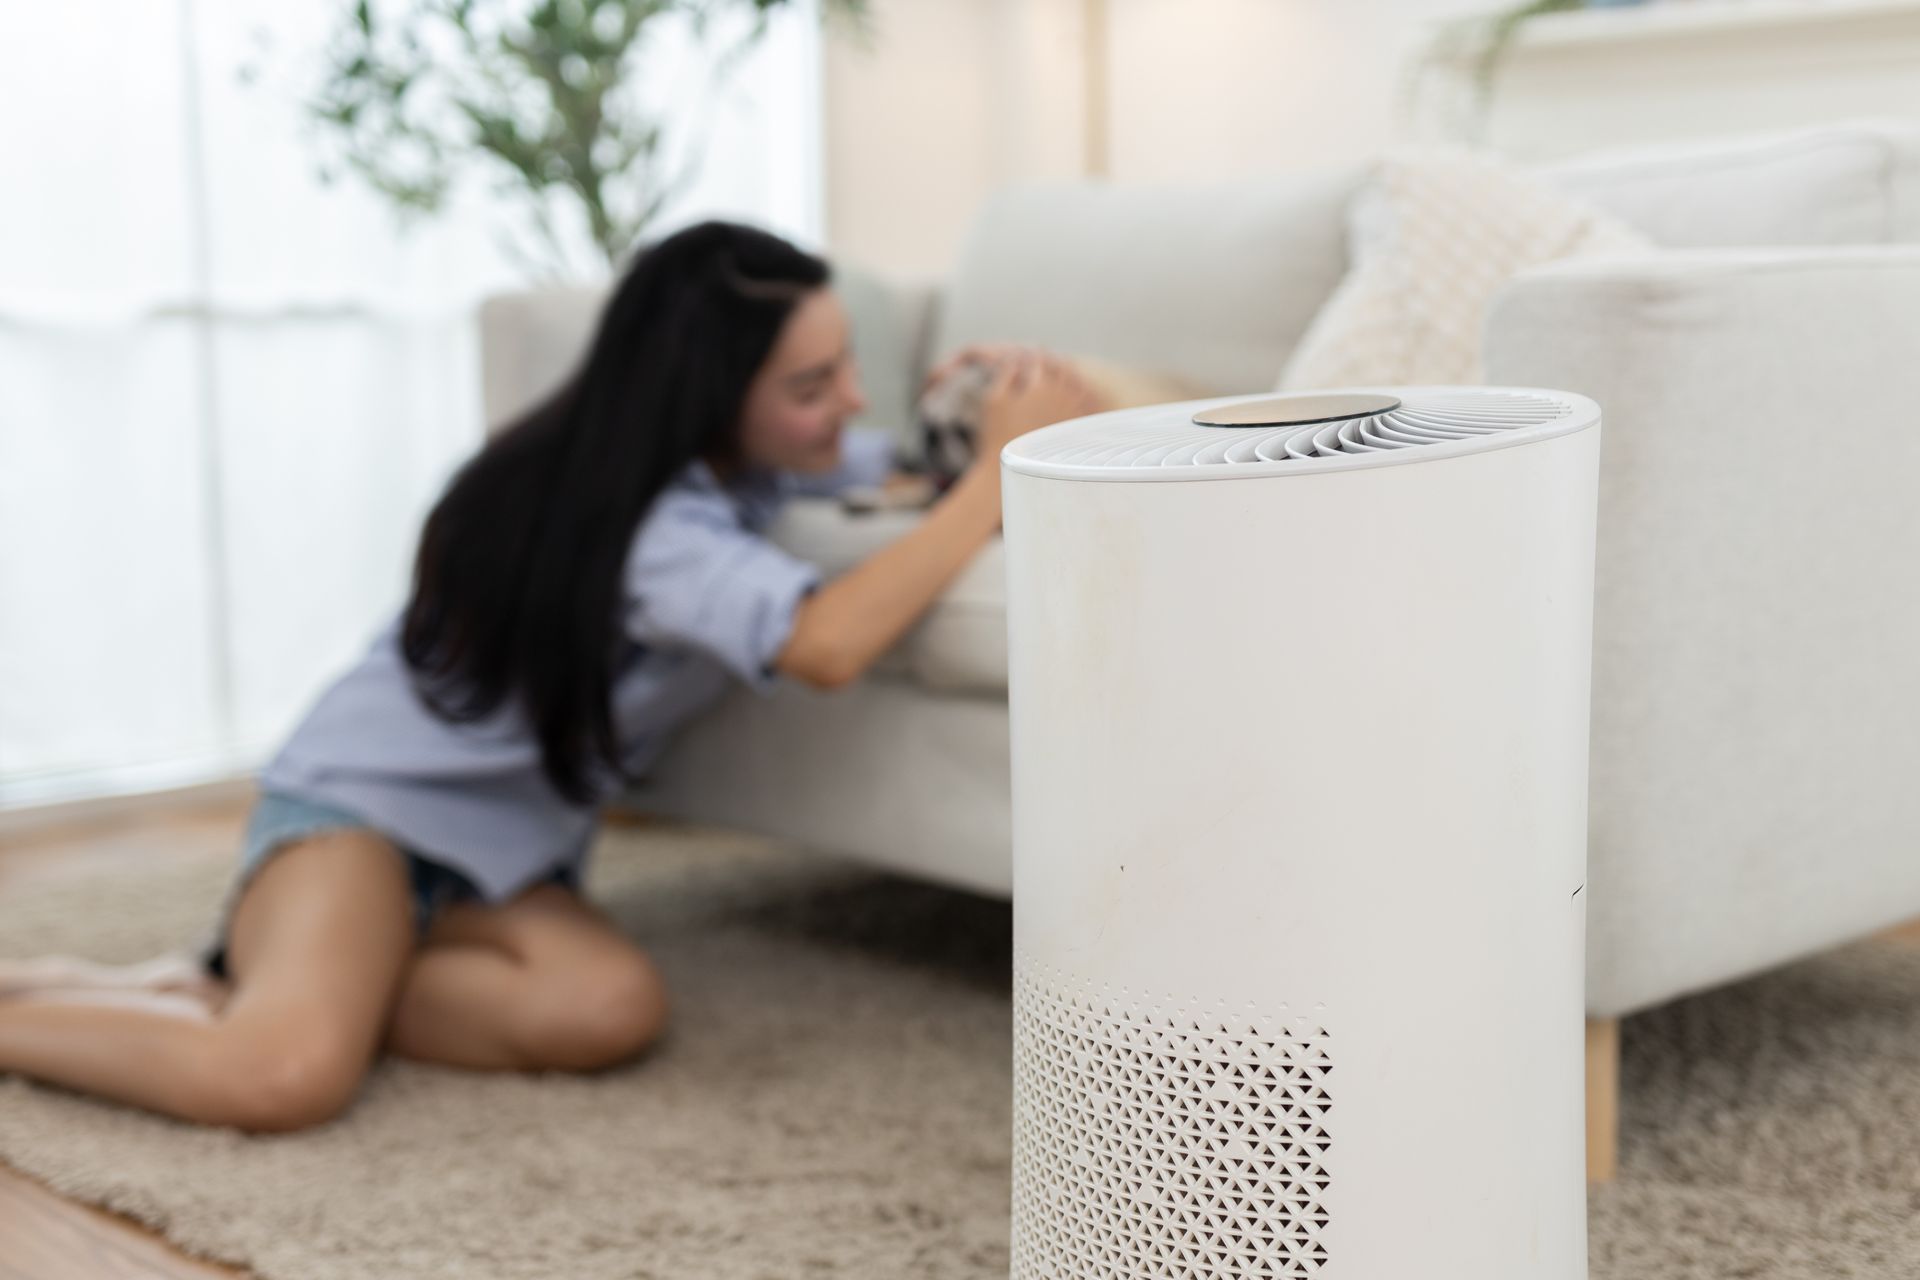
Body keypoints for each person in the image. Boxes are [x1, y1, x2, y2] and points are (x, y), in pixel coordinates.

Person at [0, 220, 1100, 1133]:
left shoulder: (754, 468)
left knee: (607, 1006)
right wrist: (1003, 475)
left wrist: (1003, 406)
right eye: (815, 383)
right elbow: (825, 643)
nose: (855, 400)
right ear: (707, 398)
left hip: (503, 862)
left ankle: (258, 975)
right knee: (281, 1075)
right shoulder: (650, 521)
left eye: (850, 365)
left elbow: (903, 473)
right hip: (365, 814)